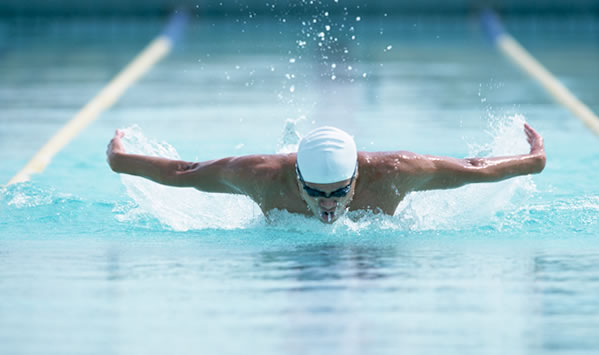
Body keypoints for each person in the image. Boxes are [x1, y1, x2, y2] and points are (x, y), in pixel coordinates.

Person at [107, 124, 545, 224]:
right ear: (295, 177)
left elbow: (472, 169)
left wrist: (532, 161)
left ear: (357, 177)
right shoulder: (262, 176)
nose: (328, 204)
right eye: (315, 192)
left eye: (338, 191)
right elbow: (186, 172)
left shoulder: (396, 173)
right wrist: (119, 159)